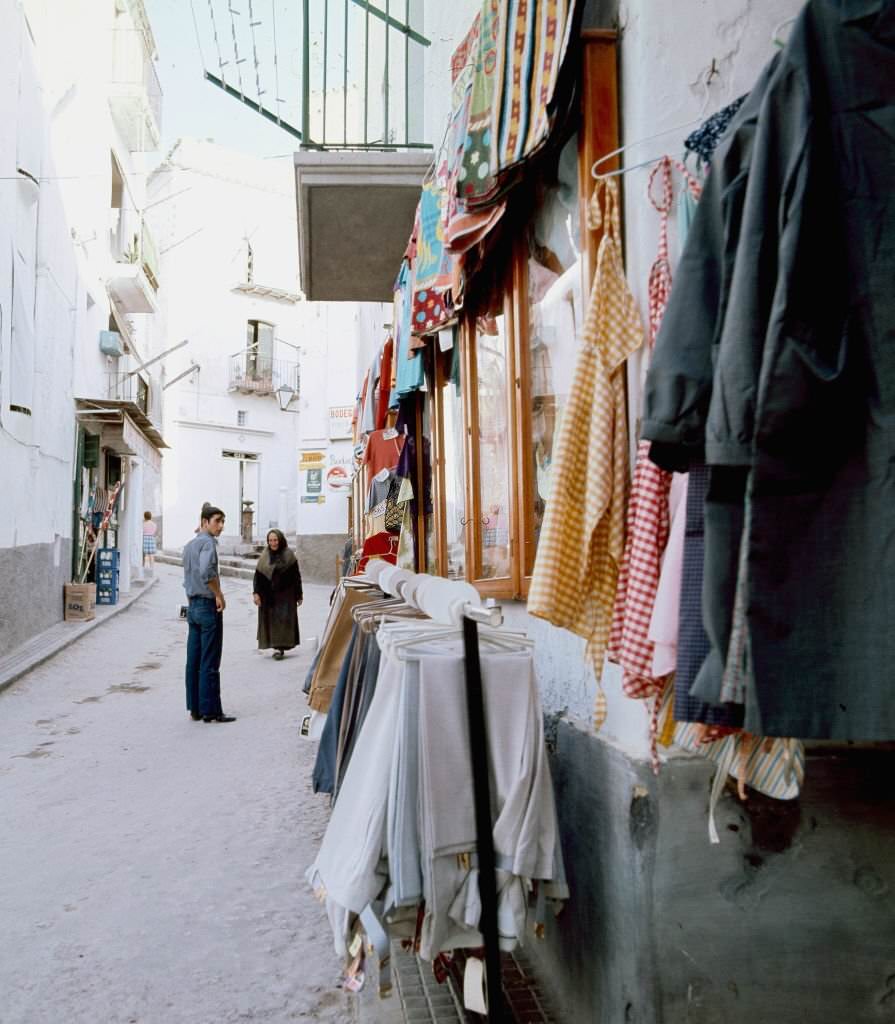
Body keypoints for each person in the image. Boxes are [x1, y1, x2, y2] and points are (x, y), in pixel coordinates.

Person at [182, 504, 236, 723]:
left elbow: (187, 578)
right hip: (206, 605)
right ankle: (211, 710)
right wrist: (219, 595)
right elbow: (206, 572)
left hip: (193, 605)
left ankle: (195, 707)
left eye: (223, 522)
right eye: (217, 521)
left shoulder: (189, 545)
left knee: (193, 659)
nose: (221, 526)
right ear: (204, 522)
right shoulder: (208, 544)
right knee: (210, 660)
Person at [253, 529, 302, 660]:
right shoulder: (265, 555)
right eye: (270, 540)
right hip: (268, 594)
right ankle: (275, 646)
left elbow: (296, 576)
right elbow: (257, 576)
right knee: (271, 621)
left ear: (280, 540)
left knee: (283, 622)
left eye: (275, 540)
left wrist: (299, 594)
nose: (273, 543)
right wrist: (256, 593)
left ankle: (281, 648)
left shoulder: (289, 555)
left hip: (286, 595)